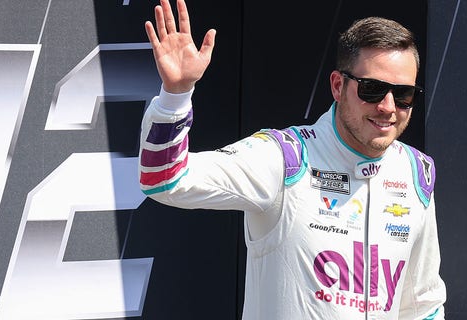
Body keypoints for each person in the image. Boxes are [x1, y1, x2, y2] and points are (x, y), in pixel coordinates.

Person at [138, 0, 447, 319]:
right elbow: (164, 181)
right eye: (372, 89)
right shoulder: (284, 156)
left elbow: (423, 304)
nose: (388, 106)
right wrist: (175, 95)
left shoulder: (415, 172)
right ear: (338, 86)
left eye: (404, 95)